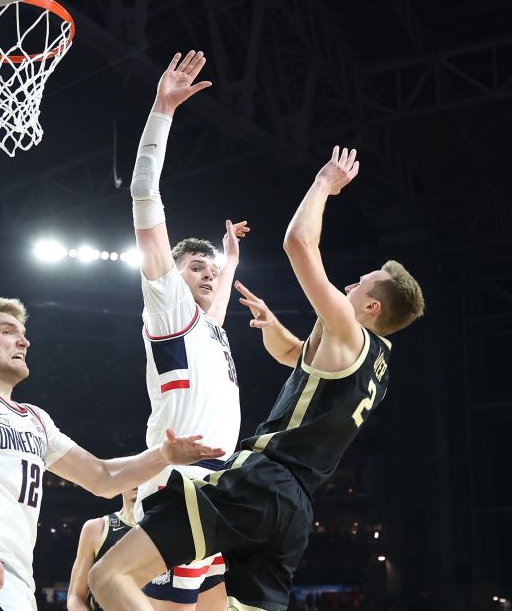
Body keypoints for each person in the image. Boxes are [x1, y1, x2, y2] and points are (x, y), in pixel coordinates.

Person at [89, 146, 426, 611]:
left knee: (109, 575)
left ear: (372, 309)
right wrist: (272, 322)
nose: (347, 286)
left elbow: (298, 243)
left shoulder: (347, 328)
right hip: (295, 511)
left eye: (359, 286)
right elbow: (293, 355)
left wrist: (325, 184)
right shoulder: (376, 364)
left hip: (260, 481)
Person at [0, 297, 224, 611]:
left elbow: (103, 478)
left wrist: (163, 455)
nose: (23, 342)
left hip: (15, 577)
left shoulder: (36, 419)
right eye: (8, 331)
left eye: (23, 334)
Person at [130, 49, 249, 609]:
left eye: (210, 270)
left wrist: (231, 260)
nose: (206, 276)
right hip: (181, 476)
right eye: (193, 269)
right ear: (171, 281)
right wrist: (162, 111)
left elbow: (220, 295)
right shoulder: (170, 307)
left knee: (216, 604)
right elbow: (143, 197)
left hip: (220, 479)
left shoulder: (210, 327)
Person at [66, 487, 138, 611]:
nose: (138, 480)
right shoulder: (96, 529)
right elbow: (75, 596)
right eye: (134, 472)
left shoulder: (168, 531)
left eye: (144, 474)